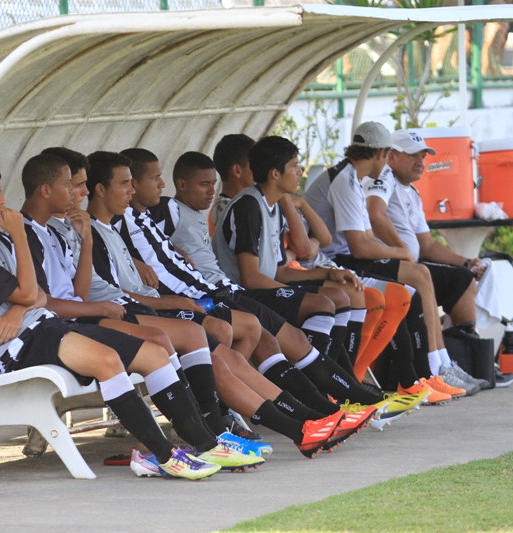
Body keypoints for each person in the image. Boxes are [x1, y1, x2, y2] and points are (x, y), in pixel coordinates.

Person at [0, 158, 225, 480]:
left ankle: (205, 444)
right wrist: (21, 240)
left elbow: (38, 295)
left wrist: (21, 304)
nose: (3, 202)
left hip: (43, 326)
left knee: (155, 354)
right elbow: (27, 293)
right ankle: (163, 456)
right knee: (107, 360)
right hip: (15, 346)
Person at [84, 149, 376, 457]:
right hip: (141, 313)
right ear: (100, 189)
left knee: (231, 359)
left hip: (168, 304)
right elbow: (105, 293)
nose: (135, 189)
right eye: (126, 183)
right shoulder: (94, 230)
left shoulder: (113, 225)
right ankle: (222, 431)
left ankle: (308, 421)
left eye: (134, 182)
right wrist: (167, 301)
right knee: (219, 348)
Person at [118, 147, 402, 411]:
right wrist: (136, 260)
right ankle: (334, 403)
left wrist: (293, 203)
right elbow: (255, 274)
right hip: (214, 292)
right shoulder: (174, 208)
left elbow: (154, 243)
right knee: (305, 319)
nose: (211, 190)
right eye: (294, 167)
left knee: (289, 331)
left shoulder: (154, 216)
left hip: (221, 290)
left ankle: (333, 400)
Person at [303, 122, 466, 402]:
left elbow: (366, 238)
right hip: (332, 264)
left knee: (406, 293)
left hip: (344, 260)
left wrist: (395, 251)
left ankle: (418, 375)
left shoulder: (352, 177)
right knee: (408, 288)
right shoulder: (344, 179)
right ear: (382, 153)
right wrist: (402, 252)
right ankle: (408, 377)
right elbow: (359, 246)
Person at [363, 129, 489, 391]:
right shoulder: (384, 176)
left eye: (422, 155)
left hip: (409, 262)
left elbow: (428, 245)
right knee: (421, 273)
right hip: (382, 264)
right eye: (412, 155)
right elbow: (375, 214)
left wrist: (465, 262)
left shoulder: (412, 191)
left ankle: (455, 361)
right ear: (392, 157)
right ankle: (436, 368)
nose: (420, 161)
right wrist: (402, 251)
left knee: (464, 279)